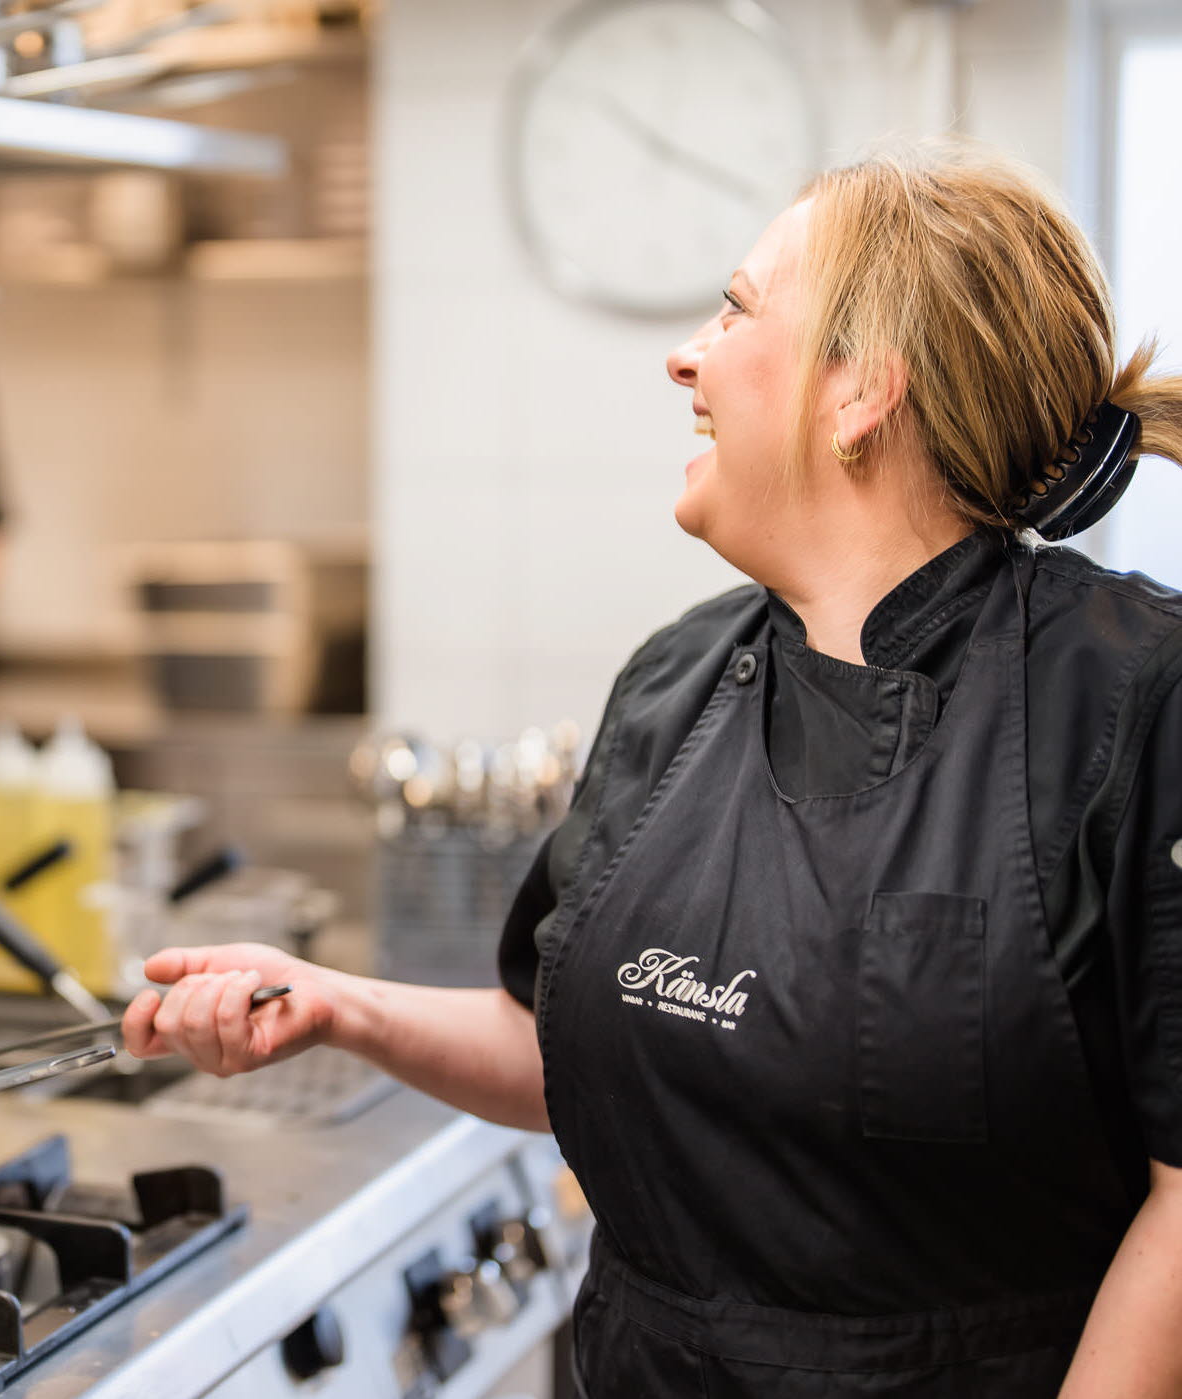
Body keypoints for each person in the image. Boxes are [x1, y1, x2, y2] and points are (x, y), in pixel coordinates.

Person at [123, 144, 1182, 1397]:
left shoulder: (1130, 699)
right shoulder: (675, 681)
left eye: (735, 310)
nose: (685, 355)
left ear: (858, 395)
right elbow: (555, 1043)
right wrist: (336, 1005)